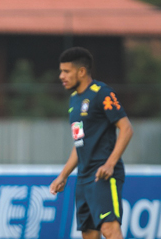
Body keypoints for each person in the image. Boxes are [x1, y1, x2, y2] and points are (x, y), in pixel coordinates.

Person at [50, 47, 133, 239]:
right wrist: (63, 175)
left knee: (109, 230)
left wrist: (110, 163)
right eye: (61, 71)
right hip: (83, 178)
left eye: (66, 71)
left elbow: (126, 128)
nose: (61, 76)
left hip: (103, 175)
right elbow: (80, 142)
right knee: (89, 235)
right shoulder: (74, 100)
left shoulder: (102, 93)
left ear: (81, 71)